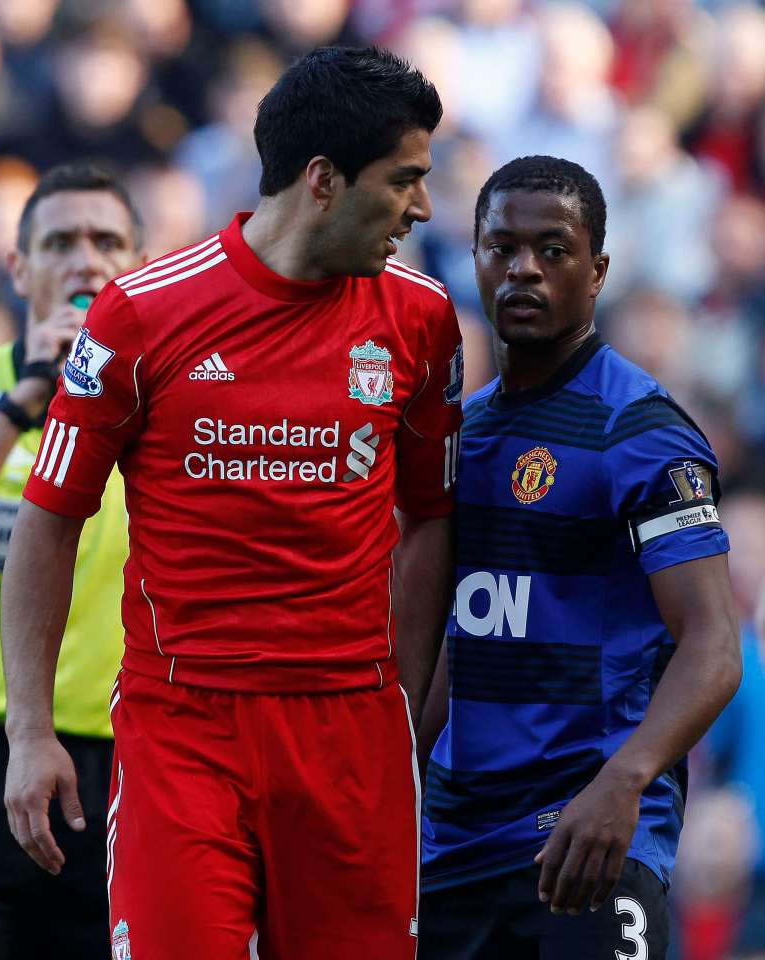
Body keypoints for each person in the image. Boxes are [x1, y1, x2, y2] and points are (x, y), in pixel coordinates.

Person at [1, 47, 463, 960]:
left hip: (352, 732)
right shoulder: (142, 314)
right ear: (324, 180)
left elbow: (430, 521)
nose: (423, 209)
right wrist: (31, 730)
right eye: (404, 180)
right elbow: (49, 520)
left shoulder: (422, 318)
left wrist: (404, 706)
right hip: (186, 728)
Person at [419, 155, 740, 960]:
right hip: (450, 847)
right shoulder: (463, 435)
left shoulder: (642, 431)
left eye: (554, 250)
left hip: (588, 839)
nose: (524, 268)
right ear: (475, 259)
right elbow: (460, 636)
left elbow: (712, 645)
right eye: (502, 247)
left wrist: (623, 782)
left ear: (596, 271)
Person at [0, 162, 146, 960]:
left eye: (108, 241)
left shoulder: (164, 410)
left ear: (139, 267)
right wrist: (23, 404)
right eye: (61, 241)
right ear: (18, 267)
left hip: (119, 761)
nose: (86, 260)